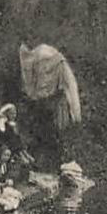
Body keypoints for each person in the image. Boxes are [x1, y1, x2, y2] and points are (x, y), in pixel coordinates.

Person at [18, 41, 82, 171]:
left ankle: (54, 164)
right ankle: (47, 164)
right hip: (47, 107)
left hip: (52, 106)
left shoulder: (52, 61)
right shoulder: (49, 58)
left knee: (52, 135)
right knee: (47, 135)